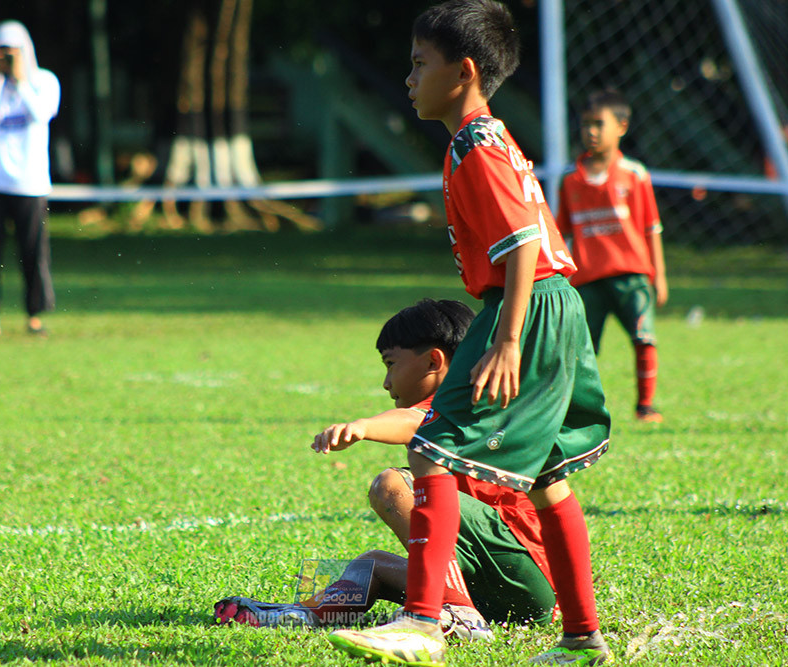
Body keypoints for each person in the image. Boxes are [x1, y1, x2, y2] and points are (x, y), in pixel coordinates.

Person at [327, 2, 613, 665]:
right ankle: (580, 637)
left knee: (431, 446)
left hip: (527, 304)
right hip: (552, 303)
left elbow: (520, 246)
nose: (408, 77)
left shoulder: (475, 143)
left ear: (463, 72)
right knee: (546, 474)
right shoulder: (491, 137)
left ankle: (424, 620)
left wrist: (509, 339)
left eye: (420, 63)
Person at [213, 299, 556, 640]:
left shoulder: (471, 401)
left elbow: (414, 421)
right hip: (492, 590)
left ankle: (459, 613)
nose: (386, 381)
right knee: (371, 564)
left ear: (434, 360)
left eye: (391, 364)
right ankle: (304, 615)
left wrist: (363, 426)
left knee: (393, 484)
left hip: (526, 579)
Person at [556, 89, 668, 423]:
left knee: (644, 338)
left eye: (598, 124)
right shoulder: (570, 179)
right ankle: (577, 410)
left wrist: (659, 276)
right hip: (587, 279)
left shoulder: (635, 175)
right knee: (581, 350)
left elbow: (652, 229)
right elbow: (563, 233)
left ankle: (645, 405)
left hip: (632, 276)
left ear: (621, 126)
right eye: (585, 124)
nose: (590, 131)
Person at [0, 20, 59, 339]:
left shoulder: (44, 80)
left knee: (33, 252)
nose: (6, 57)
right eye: (0, 51)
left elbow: (42, 114)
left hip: (29, 183)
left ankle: (35, 317)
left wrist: (20, 80)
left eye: (12, 51)